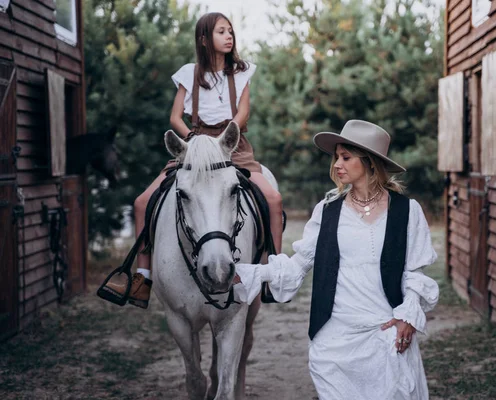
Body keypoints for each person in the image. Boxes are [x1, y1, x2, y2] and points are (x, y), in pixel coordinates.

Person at [233, 120, 439, 399]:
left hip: (385, 332)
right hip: (335, 337)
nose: (337, 165)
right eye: (336, 157)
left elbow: (415, 271)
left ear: (368, 162)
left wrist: (408, 315)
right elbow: (298, 265)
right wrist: (249, 274)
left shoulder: (407, 211)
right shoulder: (327, 210)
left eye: (346, 157)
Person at [105, 12, 283, 308]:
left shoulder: (242, 71)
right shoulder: (189, 73)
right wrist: (194, 141)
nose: (229, 37)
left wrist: (222, 140)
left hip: (232, 145)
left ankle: (272, 271)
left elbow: (243, 114)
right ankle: (141, 276)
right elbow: (175, 117)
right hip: (194, 145)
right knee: (141, 202)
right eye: (221, 32)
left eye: (230, 32)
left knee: (274, 200)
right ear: (204, 39)